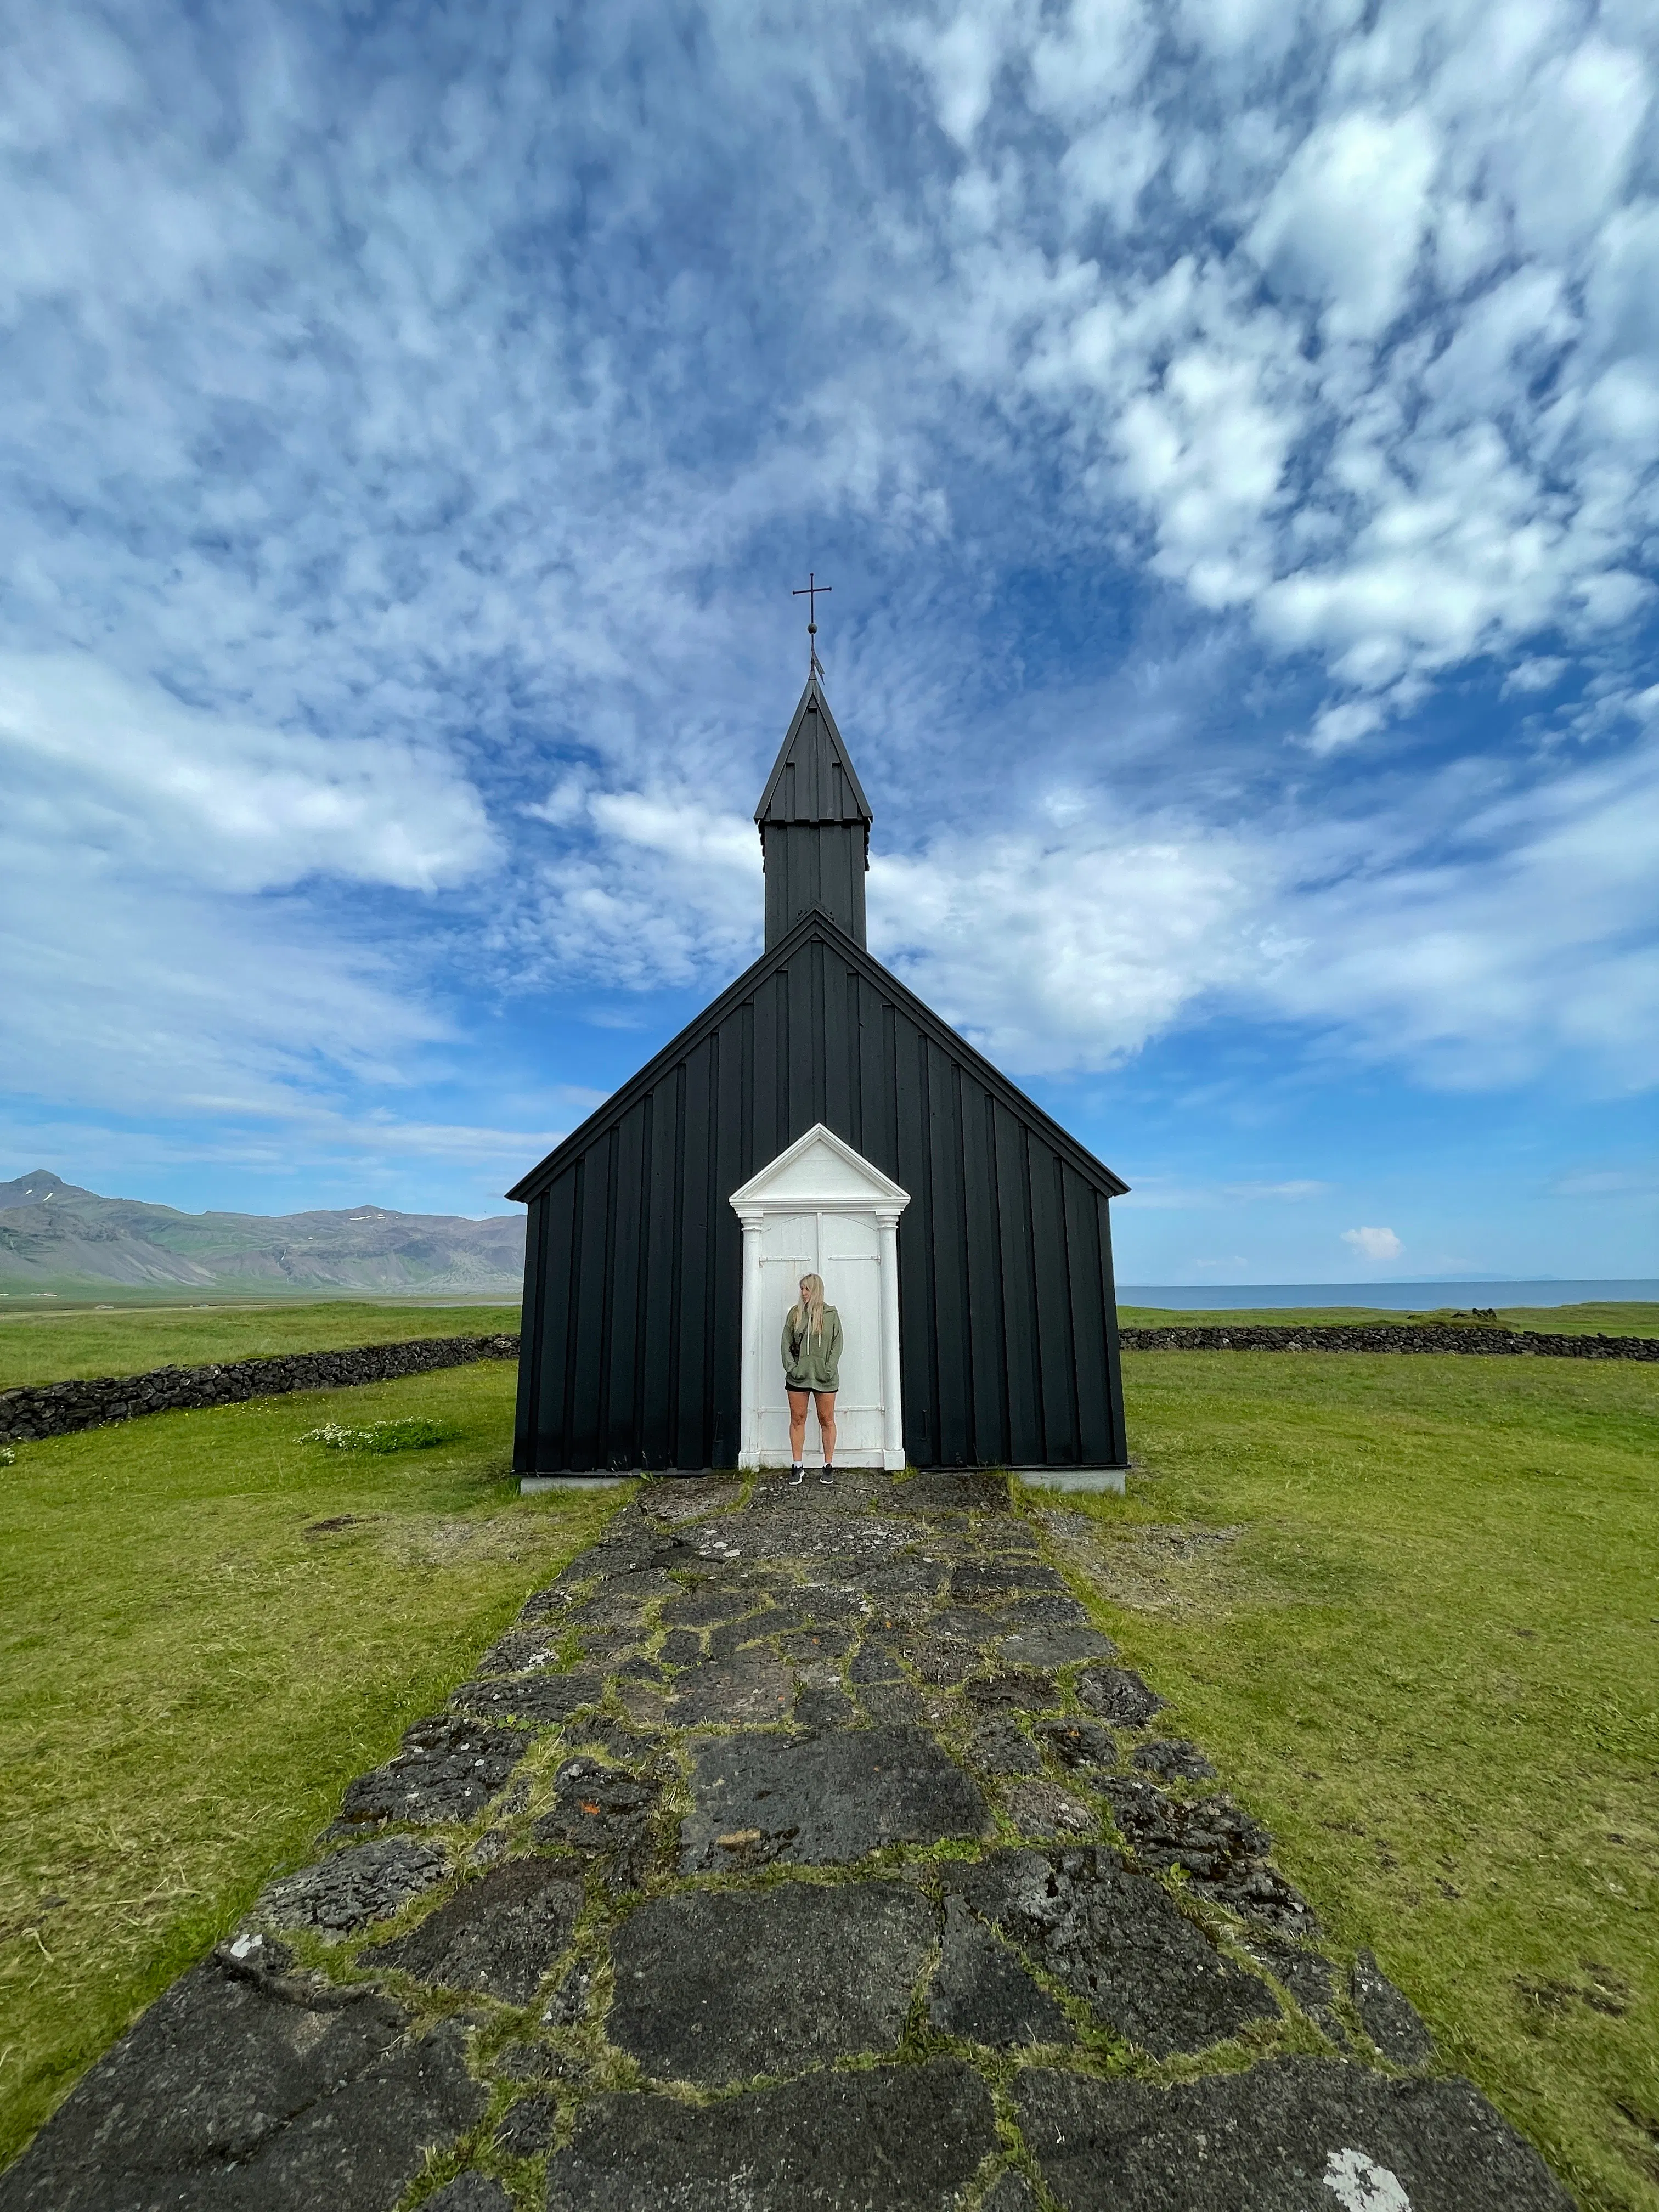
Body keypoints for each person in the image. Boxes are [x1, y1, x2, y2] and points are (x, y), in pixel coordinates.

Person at [782, 1271, 842, 1485]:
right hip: (798, 1377)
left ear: (817, 1290)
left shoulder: (831, 1315)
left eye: (808, 1288)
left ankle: (828, 1466)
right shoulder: (795, 1314)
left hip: (824, 1377)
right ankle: (798, 1466)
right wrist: (792, 1368)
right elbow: (785, 1343)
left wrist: (829, 1368)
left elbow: (837, 1345)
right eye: (802, 1288)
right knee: (797, 1420)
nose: (804, 1292)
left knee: (826, 1420)